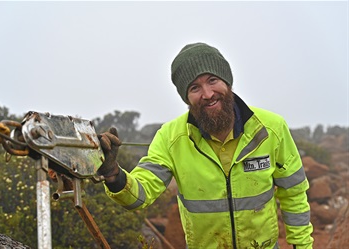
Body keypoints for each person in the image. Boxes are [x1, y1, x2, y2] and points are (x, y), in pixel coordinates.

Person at [98, 42, 314, 249]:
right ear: (187, 98)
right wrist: (113, 175)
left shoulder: (270, 129)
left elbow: (294, 194)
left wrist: (302, 246)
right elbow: (141, 193)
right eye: (195, 87)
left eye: (212, 80)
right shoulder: (170, 138)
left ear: (227, 81)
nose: (208, 94)